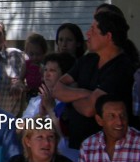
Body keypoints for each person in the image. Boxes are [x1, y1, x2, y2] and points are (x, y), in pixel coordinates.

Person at [52, 9, 138, 154]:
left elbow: (89, 109)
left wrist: (71, 94)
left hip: (106, 152)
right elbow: (57, 89)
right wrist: (85, 92)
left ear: (108, 36)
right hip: (76, 145)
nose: (88, 34)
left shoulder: (121, 69)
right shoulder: (88, 60)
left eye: (93, 30)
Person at [22, 52, 75, 158]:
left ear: (64, 75)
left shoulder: (72, 102)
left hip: (66, 159)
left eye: (52, 70)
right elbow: (21, 130)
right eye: (45, 70)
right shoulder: (35, 101)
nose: (47, 74)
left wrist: (51, 109)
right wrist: (40, 115)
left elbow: (65, 137)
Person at [23, 33, 48, 98]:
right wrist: (21, 85)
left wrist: (43, 74)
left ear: (44, 53)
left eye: (38, 54)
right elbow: (20, 79)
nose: (34, 57)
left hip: (43, 93)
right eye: (31, 54)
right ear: (26, 52)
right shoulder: (26, 65)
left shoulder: (45, 65)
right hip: (30, 92)